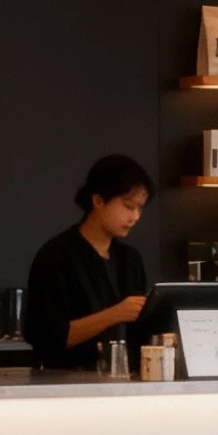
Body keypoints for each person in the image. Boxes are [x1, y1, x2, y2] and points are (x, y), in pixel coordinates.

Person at [23, 154, 152, 371]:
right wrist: (116, 313)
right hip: (66, 384)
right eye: (129, 206)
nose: (135, 216)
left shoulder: (130, 259)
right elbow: (46, 336)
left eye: (140, 208)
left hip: (122, 381)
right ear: (98, 200)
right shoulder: (57, 255)